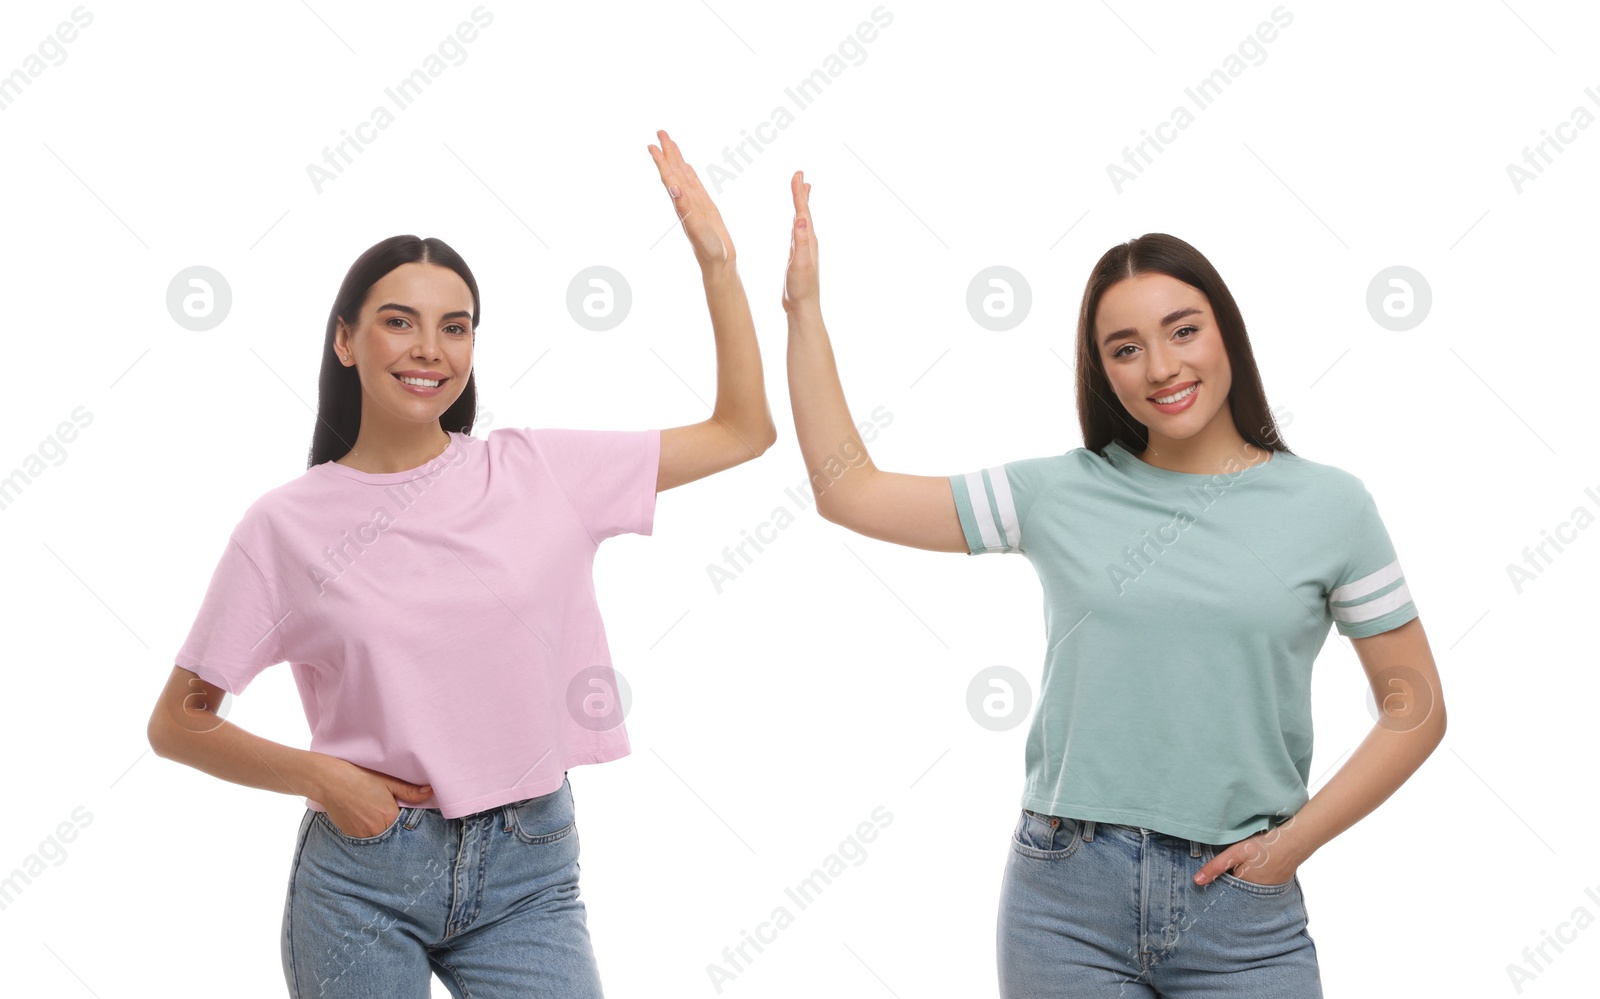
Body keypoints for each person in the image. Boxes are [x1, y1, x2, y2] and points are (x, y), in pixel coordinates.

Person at [778, 170, 1446, 997]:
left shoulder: (1330, 506)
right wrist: (802, 311)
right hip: (1064, 903)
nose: (1160, 366)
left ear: (1226, 333)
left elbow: (1414, 707)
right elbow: (851, 491)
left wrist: (1291, 846)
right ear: (1102, 370)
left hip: (1242, 909)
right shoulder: (1059, 493)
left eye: (1183, 330)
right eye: (1125, 348)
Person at [146, 130, 776, 998]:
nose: (428, 349)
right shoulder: (283, 525)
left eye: (455, 327)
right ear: (345, 340)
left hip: (529, 864)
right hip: (364, 871)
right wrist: (323, 775)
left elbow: (745, 429)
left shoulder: (540, 470)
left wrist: (717, 261)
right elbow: (178, 721)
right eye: (398, 321)